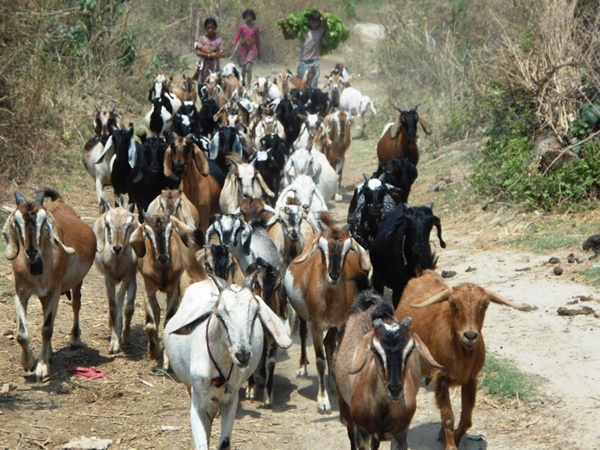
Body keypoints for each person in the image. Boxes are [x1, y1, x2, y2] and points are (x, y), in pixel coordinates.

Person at [281, 9, 327, 89]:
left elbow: (325, 18)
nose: (314, 24)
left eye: (316, 22)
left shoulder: (320, 31)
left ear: (319, 23)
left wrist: (320, 12)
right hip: (303, 63)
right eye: (312, 22)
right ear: (309, 21)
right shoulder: (302, 31)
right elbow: (287, 37)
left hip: (314, 63)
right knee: (302, 86)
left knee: (313, 87)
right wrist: (283, 26)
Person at [232, 9, 260, 88]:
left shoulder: (255, 27)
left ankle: (249, 86)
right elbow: (237, 36)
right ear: (245, 17)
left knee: (248, 68)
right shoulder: (242, 26)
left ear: (253, 17)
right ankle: (242, 83)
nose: (249, 18)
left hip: (252, 49)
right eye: (247, 16)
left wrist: (259, 50)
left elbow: (258, 39)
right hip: (243, 49)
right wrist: (234, 45)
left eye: (250, 16)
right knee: (243, 69)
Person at [194, 17, 225, 87]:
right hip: (204, 68)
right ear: (205, 28)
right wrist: (211, 55)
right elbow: (198, 52)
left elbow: (222, 54)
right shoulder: (202, 39)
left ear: (215, 28)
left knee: (214, 88)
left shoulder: (219, 40)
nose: (210, 30)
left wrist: (214, 51)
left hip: (215, 69)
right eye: (208, 28)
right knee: (202, 87)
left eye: (212, 28)